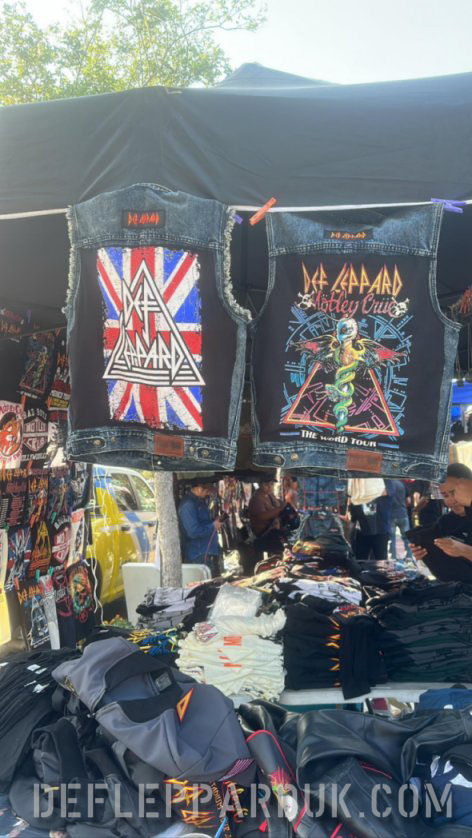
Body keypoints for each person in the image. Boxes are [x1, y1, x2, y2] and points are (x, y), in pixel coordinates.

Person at [411, 464, 472, 581]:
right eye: (445, 495)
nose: (451, 501)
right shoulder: (445, 522)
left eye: (454, 492)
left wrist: (464, 551)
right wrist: (424, 553)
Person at [178, 479, 223, 577]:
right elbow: (193, 532)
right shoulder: (188, 505)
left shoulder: (199, 502)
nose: (208, 493)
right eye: (206, 490)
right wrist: (213, 526)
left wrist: (214, 521)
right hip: (199, 554)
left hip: (206, 550)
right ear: (199, 488)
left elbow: (203, 522)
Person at [248, 475, 296, 556]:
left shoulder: (269, 495)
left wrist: (285, 505)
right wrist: (279, 509)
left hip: (274, 530)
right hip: (264, 534)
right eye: (267, 484)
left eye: (272, 484)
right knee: (284, 549)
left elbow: (278, 504)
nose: (270, 487)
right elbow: (261, 516)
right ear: (261, 484)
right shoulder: (257, 498)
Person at [385, 479, 414, 561]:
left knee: (391, 538)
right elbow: (408, 501)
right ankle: (409, 556)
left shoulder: (387, 484)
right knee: (406, 537)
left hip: (390, 515)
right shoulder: (402, 484)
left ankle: (393, 558)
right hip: (403, 514)